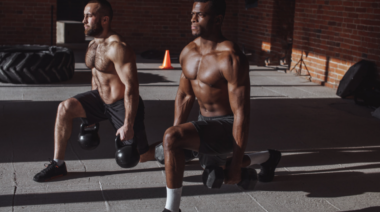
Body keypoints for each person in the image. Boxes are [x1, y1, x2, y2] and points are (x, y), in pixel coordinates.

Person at [161, 1, 281, 212]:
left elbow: (241, 113)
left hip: (226, 126)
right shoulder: (188, 51)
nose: (192, 19)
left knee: (172, 139)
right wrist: (178, 131)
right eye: (192, 15)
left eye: (199, 15)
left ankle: (172, 210)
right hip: (204, 123)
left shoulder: (231, 57)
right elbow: (185, 94)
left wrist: (235, 164)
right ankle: (269, 157)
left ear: (217, 19)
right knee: (198, 162)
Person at [33, 0, 154, 182]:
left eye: (89, 16)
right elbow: (95, 76)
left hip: (122, 104)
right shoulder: (93, 45)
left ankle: (176, 146)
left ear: (104, 19)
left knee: (141, 156)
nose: (84, 20)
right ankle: (58, 164)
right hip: (100, 100)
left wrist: (128, 123)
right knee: (65, 108)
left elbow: (132, 87)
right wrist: (90, 115)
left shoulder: (118, 48)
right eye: (84, 16)